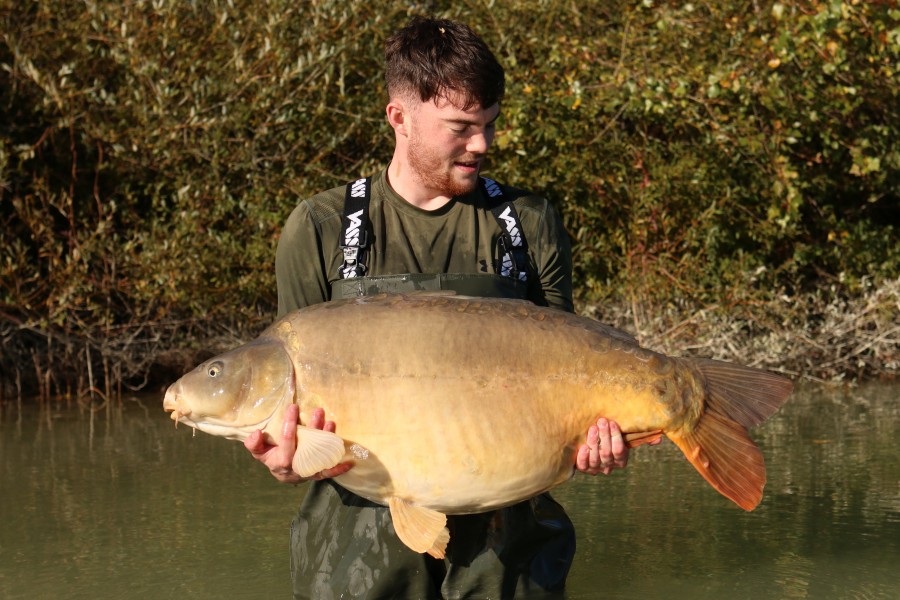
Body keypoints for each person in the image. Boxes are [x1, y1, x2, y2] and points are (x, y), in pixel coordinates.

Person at [244, 16, 647, 599]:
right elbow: (292, 409)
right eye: (460, 128)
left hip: (509, 541)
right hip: (355, 541)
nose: (481, 145)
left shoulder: (527, 223)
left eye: (488, 126)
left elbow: (574, 372)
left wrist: (594, 441)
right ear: (399, 118)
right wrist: (284, 458)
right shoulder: (323, 227)